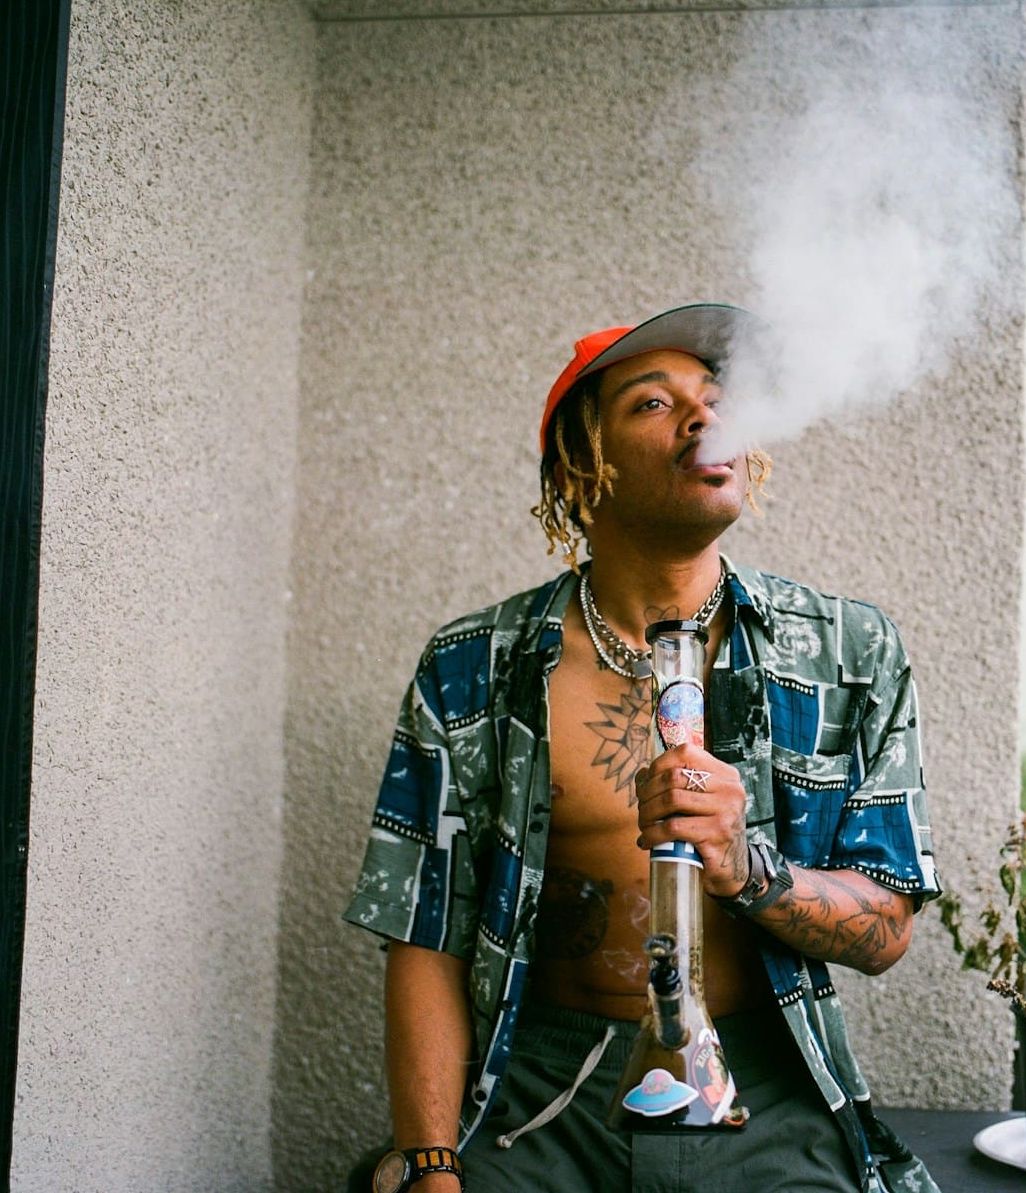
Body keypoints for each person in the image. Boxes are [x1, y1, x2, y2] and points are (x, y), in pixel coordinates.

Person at [342, 303, 942, 1193]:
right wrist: (431, 1163)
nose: (705, 417)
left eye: (716, 399)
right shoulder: (474, 666)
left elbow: (885, 930)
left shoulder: (848, 650)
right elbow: (425, 934)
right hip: (544, 1089)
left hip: (766, 1083)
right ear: (582, 469)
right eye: (653, 403)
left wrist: (748, 869)